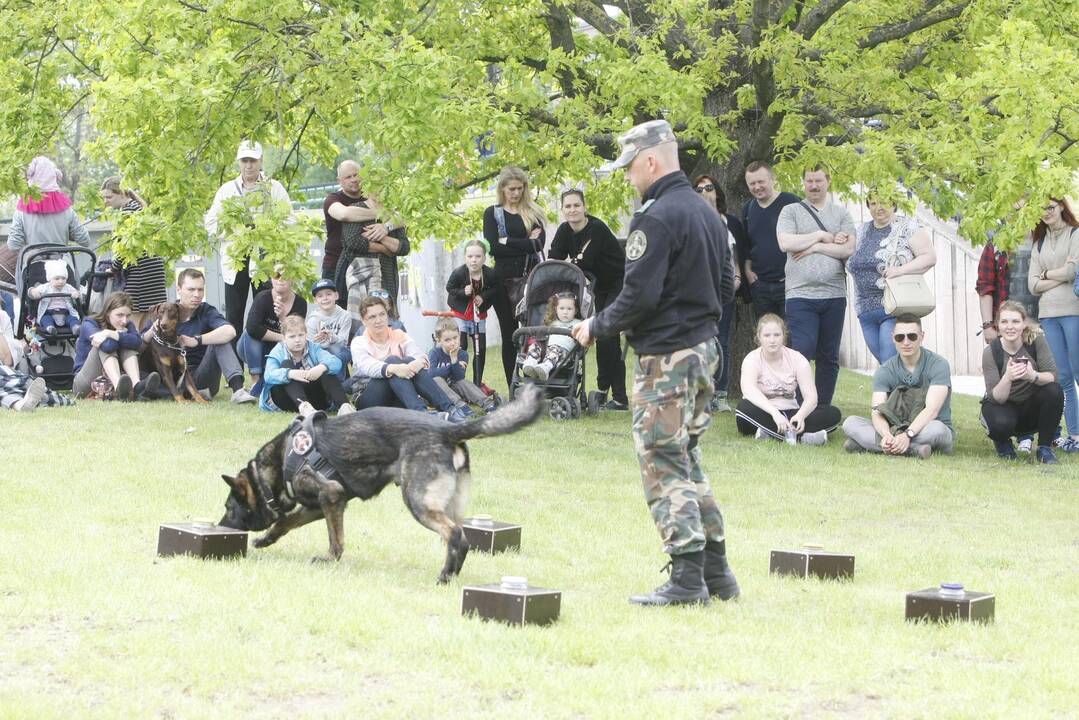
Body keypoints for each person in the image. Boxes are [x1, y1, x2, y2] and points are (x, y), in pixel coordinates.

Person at [573, 119, 737, 607]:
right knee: (686, 456)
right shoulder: (709, 215)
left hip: (666, 357)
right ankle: (717, 571)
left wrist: (593, 327)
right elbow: (727, 287)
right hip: (705, 350)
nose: (628, 178)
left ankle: (687, 580)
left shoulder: (656, 217)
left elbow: (637, 296)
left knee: (662, 461)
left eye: (629, 168)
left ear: (650, 161)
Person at [776, 167, 857, 406]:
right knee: (802, 351)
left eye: (818, 180)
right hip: (800, 294)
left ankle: (822, 408)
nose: (813, 185)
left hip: (834, 294)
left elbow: (847, 249)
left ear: (828, 181)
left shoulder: (842, 214)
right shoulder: (790, 211)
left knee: (828, 356)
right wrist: (822, 235)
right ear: (803, 183)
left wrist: (814, 247)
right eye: (809, 181)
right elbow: (785, 242)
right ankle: (801, 405)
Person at [549, 189, 628, 410]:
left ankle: (618, 397)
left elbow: (582, 262)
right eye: (568, 206)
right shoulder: (565, 230)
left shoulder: (597, 229)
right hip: (595, 288)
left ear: (584, 208)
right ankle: (606, 392)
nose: (572, 210)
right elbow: (554, 258)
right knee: (601, 336)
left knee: (607, 335)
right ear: (563, 210)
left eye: (576, 205)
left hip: (616, 283)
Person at [203, 141, 292, 336]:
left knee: (267, 313)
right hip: (237, 259)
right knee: (233, 315)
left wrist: (267, 230)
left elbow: (289, 220)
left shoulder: (274, 188)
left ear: (260, 160)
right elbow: (210, 224)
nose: (249, 165)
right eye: (244, 160)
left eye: (252, 160)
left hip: (266, 259)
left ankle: (267, 362)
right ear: (238, 162)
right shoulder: (227, 190)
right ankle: (234, 364)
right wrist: (233, 229)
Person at [841, 314, 954, 458]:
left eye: (912, 336)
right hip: (895, 429)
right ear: (893, 338)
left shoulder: (938, 364)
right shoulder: (885, 370)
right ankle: (913, 450)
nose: (906, 342)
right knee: (850, 423)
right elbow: (877, 411)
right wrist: (886, 434)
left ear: (922, 336)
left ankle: (866, 445)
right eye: (900, 337)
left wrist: (908, 434)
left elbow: (932, 410)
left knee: (938, 429)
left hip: (927, 427)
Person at [350, 295, 472, 422]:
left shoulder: (398, 334)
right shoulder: (359, 342)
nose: (379, 320)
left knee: (409, 361)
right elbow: (368, 367)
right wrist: (395, 368)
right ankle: (422, 413)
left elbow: (420, 356)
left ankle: (449, 408)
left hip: (398, 394)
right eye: (372, 317)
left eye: (382, 314)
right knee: (393, 361)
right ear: (364, 321)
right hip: (369, 398)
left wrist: (413, 365)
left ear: (387, 315)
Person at [142, 268, 257, 403]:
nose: (197, 294)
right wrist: (152, 331)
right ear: (179, 289)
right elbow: (140, 344)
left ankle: (238, 391)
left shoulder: (206, 311)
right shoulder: (165, 312)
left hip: (203, 376)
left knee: (220, 340)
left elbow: (230, 331)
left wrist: (197, 340)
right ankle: (177, 394)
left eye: (200, 289)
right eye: (191, 289)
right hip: (171, 379)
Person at [848, 191, 936, 364]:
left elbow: (929, 257)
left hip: (895, 308)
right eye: (873, 204)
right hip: (865, 310)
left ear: (894, 203)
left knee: (890, 362)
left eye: (883, 202)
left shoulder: (908, 226)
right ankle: (911, 389)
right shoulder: (861, 231)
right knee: (888, 366)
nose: (878, 208)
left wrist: (901, 270)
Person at [735, 314, 840, 444]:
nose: (772, 340)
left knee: (833, 413)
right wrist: (775, 414)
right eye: (767, 335)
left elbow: (811, 398)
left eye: (777, 335)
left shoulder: (797, 359)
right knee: (743, 408)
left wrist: (801, 416)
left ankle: (770, 434)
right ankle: (802, 438)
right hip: (764, 412)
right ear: (759, 338)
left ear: (784, 336)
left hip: (791, 414)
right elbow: (749, 391)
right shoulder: (752, 359)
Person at [485, 166, 547, 388]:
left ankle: (533, 382)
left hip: (531, 278)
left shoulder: (534, 212)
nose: (516, 193)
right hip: (502, 282)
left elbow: (538, 244)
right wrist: (525, 242)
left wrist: (508, 241)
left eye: (520, 188)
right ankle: (513, 386)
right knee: (509, 334)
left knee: (533, 332)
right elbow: (494, 248)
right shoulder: (493, 213)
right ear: (502, 188)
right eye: (511, 189)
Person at [980, 301, 1063, 464]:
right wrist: (1008, 377)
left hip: (1030, 406)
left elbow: (1053, 376)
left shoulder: (1036, 341)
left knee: (1054, 390)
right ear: (997, 325)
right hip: (1003, 407)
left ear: (1024, 324)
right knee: (999, 421)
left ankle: (1044, 449)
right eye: (1004, 322)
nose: (1010, 327)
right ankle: (1003, 444)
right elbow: (997, 398)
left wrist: (1032, 376)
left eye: (1015, 321)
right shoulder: (991, 351)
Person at [1028, 198, 1079, 453]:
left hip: (1074, 311)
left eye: (1050, 206)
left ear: (1061, 206)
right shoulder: (1039, 242)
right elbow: (1032, 285)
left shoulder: (1075, 234)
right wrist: (1056, 276)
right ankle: (1075, 436)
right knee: (1064, 378)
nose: (1046, 212)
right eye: (1042, 208)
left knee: (1078, 372)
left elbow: (1072, 272)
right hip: (1048, 313)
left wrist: (1046, 275)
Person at [694, 175, 745, 413]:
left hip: (725, 291)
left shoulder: (730, 222)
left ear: (718, 192)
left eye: (709, 187)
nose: (704, 191)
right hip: (699, 292)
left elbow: (736, 256)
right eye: (699, 188)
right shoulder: (691, 220)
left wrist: (736, 278)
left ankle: (720, 395)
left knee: (722, 342)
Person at [102, 177, 166, 331]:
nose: (105, 201)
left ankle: (134, 354)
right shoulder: (140, 208)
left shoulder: (126, 213)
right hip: (154, 270)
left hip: (140, 272)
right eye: (104, 197)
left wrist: (113, 268)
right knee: (151, 322)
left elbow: (123, 249)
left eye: (109, 197)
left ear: (122, 194)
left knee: (132, 322)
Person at [259, 316, 355, 416]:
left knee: (327, 369)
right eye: (292, 336)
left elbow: (335, 362)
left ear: (306, 335)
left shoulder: (313, 347)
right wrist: (290, 373)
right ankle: (305, 408)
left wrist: (321, 367)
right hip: (288, 400)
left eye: (301, 335)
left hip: (315, 397)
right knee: (286, 364)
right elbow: (268, 375)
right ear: (284, 338)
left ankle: (344, 407)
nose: (297, 340)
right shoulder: (278, 351)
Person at [73, 291, 159, 400]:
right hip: (84, 383)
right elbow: (107, 346)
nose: (124, 321)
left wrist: (112, 334)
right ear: (108, 312)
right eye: (119, 315)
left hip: (110, 378)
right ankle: (119, 387)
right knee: (104, 346)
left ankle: (137, 387)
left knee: (127, 345)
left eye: (128, 316)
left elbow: (136, 343)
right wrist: (120, 335)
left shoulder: (128, 324)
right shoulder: (89, 323)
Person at [742, 161, 799, 320]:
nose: (757, 187)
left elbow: (806, 234)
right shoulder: (748, 209)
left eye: (761, 181)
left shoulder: (791, 202)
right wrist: (747, 271)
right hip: (761, 286)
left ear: (772, 179)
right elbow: (746, 245)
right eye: (752, 183)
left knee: (791, 337)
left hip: (790, 284)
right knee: (768, 337)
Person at [6, 156, 91, 260]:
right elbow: (85, 241)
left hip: (33, 269)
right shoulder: (66, 210)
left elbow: (13, 245)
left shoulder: (22, 211)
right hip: (62, 269)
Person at [237, 273, 307, 395]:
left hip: (278, 351)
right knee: (249, 334)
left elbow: (297, 333)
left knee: (293, 341)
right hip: (252, 348)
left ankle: (264, 384)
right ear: (271, 278)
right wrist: (282, 338)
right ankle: (255, 380)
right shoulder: (263, 297)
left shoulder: (300, 303)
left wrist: (283, 317)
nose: (280, 279)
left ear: (293, 278)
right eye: (276, 275)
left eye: (285, 275)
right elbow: (253, 328)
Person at [446, 239, 499, 388]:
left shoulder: (489, 274)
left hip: (478, 315)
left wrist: (483, 297)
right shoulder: (458, 273)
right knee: (460, 345)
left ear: (484, 257)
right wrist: (463, 292)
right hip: (460, 314)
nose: (473, 260)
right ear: (465, 257)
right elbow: (449, 288)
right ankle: (457, 381)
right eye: (470, 257)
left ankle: (477, 383)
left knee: (480, 348)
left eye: (478, 256)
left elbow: (496, 289)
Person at [321, 160, 382, 280]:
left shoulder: (372, 197)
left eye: (356, 175)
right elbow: (344, 214)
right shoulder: (332, 199)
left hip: (368, 263)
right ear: (339, 181)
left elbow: (398, 217)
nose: (353, 179)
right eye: (348, 177)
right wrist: (380, 214)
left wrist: (386, 225)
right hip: (336, 262)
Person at [1, 309, 72, 411]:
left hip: (5, 375)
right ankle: (48, 397)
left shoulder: (2, 316)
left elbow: (7, 360)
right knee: (21, 383)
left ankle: (20, 404)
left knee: (6, 378)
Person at [428, 317, 499, 412]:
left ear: (459, 335)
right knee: (437, 379)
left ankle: (488, 404)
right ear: (439, 340)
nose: (453, 343)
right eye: (447, 340)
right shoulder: (434, 353)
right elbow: (431, 374)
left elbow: (459, 377)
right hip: (438, 393)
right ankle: (460, 406)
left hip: (453, 389)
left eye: (455, 338)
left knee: (463, 382)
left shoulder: (462, 354)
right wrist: (451, 366)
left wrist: (454, 360)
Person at [522, 292, 582, 382]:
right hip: (546, 348)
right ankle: (530, 362)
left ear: (576, 311)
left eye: (569, 309)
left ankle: (546, 367)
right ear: (556, 309)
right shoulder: (551, 323)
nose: (565, 312)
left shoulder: (577, 323)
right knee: (535, 346)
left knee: (554, 350)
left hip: (564, 352)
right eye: (562, 308)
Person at [306, 278, 352, 378]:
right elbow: (309, 347)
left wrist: (332, 337)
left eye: (329, 294)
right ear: (315, 300)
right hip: (320, 355)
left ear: (336, 296)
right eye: (320, 296)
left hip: (338, 351)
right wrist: (319, 342)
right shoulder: (312, 320)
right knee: (323, 354)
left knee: (341, 352)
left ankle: (339, 383)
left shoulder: (345, 315)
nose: (325, 298)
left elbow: (343, 342)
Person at [29, 260, 81, 335]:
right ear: (50, 279)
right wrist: (34, 292)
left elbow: (76, 292)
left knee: (72, 318)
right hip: (49, 312)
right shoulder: (46, 287)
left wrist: (76, 294)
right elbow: (32, 291)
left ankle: (75, 327)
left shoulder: (68, 287)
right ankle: (50, 327)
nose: (60, 281)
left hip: (65, 312)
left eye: (63, 278)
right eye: (57, 279)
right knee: (45, 319)